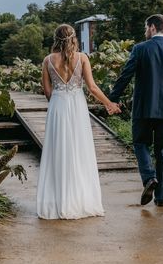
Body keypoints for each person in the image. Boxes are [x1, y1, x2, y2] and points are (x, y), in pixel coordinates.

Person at [36, 24, 121, 219]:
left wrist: (59, 100)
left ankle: (58, 201)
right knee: (79, 151)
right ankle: (80, 200)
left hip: (57, 106)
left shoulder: (47, 60)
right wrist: (109, 104)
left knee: (58, 152)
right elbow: (92, 87)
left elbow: (47, 92)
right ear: (74, 38)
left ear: (56, 39)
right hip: (77, 108)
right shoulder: (83, 58)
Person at [108, 14, 163, 207]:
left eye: (146, 27)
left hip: (144, 108)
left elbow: (125, 76)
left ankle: (148, 178)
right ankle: (161, 198)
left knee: (140, 143)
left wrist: (112, 99)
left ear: (152, 27)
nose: (145, 31)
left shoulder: (140, 49)